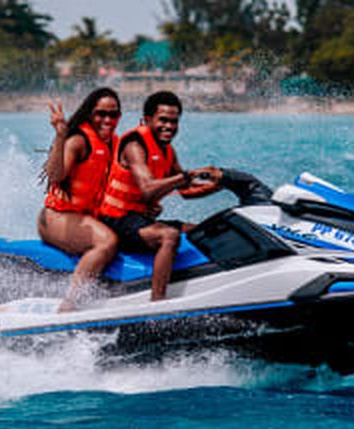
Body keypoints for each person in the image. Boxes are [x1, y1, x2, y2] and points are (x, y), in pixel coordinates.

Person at [97, 90, 220, 301]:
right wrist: (189, 175)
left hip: (139, 220)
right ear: (147, 120)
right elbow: (148, 189)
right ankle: (157, 303)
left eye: (174, 121)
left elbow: (186, 191)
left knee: (202, 230)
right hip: (115, 221)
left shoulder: (167, 151)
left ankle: (206, 283)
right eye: (163, 120)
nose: (169, 126)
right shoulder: (134, 145)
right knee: (169, 236)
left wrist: (220, 185)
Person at [38, 88, 121, 311]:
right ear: (90, 113)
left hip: (86, 218)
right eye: (100, 114)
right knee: (107, 242)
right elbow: (56, 176)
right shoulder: (78, 141)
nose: (107, 120)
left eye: (113, 115)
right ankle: (70, 305)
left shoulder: (115, 144)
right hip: (57, 218)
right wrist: (60, 135)